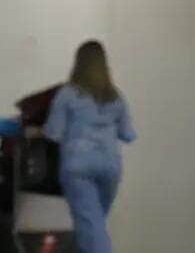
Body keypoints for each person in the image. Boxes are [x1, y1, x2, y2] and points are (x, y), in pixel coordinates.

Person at [43, 41, 136, 253]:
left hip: (78, 167)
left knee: (90, 228)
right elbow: (128, 134)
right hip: (110, 167)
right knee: (93, 226)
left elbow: (53, 133)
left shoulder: (68, 94)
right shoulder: (116, 97)